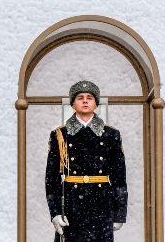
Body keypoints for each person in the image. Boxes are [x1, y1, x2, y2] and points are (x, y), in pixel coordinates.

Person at [45, 80, 128, 242]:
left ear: (96, 104)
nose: (85, 100)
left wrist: (119, 213)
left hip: (102, 203)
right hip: (70, 204)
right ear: (73, 104)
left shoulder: (111, 135)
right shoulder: (60, 135)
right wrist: (55, 213)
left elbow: (119, 179)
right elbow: (52, 179)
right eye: (80, 97)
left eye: (89, 97)